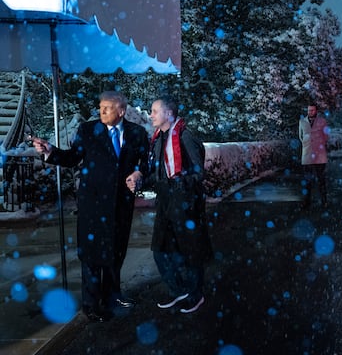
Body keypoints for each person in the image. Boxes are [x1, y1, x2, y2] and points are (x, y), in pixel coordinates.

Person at [32, 91, 148, 322]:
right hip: (93, 205)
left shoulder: (137, 133)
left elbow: (146, 162)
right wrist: (50, 152)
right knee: (92, 255)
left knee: (116, 252)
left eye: (107, 107)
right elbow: (72, 157)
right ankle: (92, 305)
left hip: (120, 205)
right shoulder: (87, 130)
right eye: (100, 106)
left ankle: (112, 296)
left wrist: (139, 172)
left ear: (121, 111)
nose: (101, 111)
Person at [146, 95, 213, 314]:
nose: (151, 115)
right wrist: (139, 180)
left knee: (191, 250)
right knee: (160, 249)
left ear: (169, 113)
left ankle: (195, 294)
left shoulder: (185, 137)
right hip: (165, 202)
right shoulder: (158, 138)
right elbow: (157, 171)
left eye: (155, 111)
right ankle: (179, 289)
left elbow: (198, 172)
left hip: (185, 203)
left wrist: (180, 184)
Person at [298, 103, 329, 209]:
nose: (310, 112)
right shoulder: (302, 122)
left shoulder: (322, 121)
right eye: (309, 110)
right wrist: (307, 144)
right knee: (307, 181)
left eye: (312, 110)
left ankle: (324, 201)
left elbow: (326, 136)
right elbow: (301, 136)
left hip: (319, 154)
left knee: (321, 180)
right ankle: (307, 201)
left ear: (316, 111)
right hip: (307, 154)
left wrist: (318, 144)